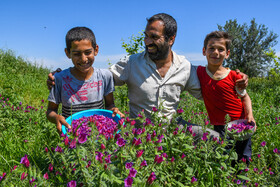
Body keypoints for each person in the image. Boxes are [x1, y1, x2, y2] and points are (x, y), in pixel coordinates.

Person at [47, 13, 247, 134]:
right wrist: (61, 76)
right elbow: (95, 76)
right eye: (146, 36)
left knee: (212, 138)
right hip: (139, 130)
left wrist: (234, 80)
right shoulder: (132, 63)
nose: (147, 42)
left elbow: (209, 89)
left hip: (172, 127)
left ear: (171, 39)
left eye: (154, 37)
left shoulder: (185, 66)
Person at [47, 27, 124, 133]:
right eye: (77, 54)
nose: (83, 59)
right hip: (72, 134)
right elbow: (51, 111)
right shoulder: (60, 79)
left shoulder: (105, 76)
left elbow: (110, 105)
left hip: (99, 134)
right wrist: (56, 118)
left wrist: (114, 111)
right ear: (67, 53)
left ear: (96, 50)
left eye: (88, 52)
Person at [197, 31, 256, 164]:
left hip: (240, 123)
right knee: (224, 157)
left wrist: (250, 115)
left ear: (227, 54)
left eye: (221, 49)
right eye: (211, 48)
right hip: (219, 126)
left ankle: (243, 181)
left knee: (243, 156)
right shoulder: (199, 72)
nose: (215, 52)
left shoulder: (234, 76)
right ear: (204, 51)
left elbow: (245, 97)